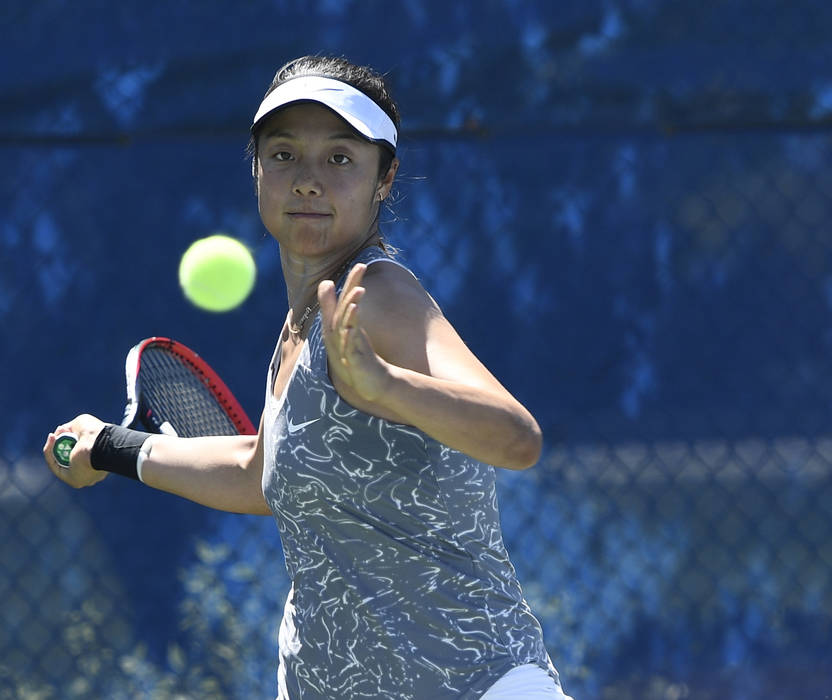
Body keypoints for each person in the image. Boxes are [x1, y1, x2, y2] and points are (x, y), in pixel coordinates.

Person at [43, 55, 571, 700]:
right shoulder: (299, 328)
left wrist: (389, 388)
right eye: (285, 154)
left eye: (341, 158)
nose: (308, 181)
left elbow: (517, 439)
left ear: (385, 178)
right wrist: (111, 448)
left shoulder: (376, 296)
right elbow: (257, 472)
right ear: (258, 171)